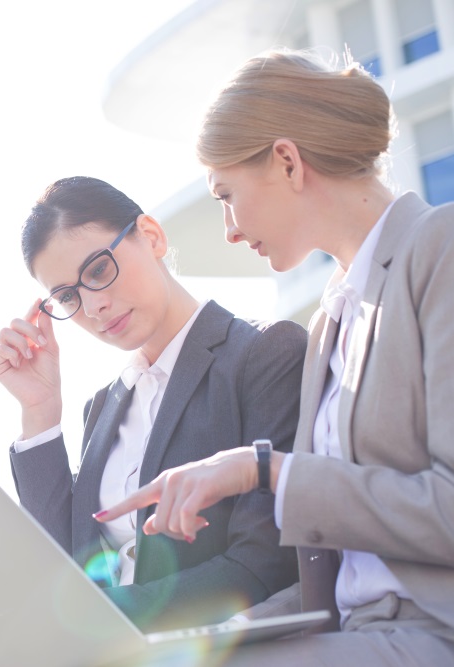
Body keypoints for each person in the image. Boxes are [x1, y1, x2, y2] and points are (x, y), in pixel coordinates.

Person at [95, 48, 454, 665]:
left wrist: (263, 471)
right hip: (357, 638)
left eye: (225, 195)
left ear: (287, 162)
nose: (229, 229)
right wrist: (191, 646)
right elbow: (335, 589)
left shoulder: (439, 249)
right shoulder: (328, 325)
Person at [1, 177, 306, 629]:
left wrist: (86, 622)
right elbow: (64, 567)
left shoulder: (265, 353)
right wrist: (40, 411)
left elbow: (263, 565)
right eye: (67, 297)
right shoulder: (103, 408)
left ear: (152, 236)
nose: (94, 307)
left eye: (99, 271)